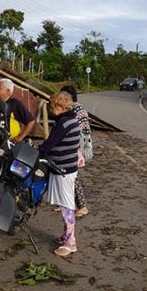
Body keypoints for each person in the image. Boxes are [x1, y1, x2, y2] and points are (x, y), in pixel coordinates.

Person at [40, 92, 82, 257]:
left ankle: (70, 243)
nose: (51, 110)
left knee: (66, 206)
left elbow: (49, 144)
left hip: (63, 169)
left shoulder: (63, 123)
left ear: (62, 107)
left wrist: (39, 152)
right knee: (67, 204)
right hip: (67, 168)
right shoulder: (71, 120)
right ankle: (66, 235)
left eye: (53, 106)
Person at [60, 85, 92, 218]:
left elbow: (80, 132)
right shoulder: (75, 108)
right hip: (76, 146)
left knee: (73, 177)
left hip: (78, 146)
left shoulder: (76, 110)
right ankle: (65, 203)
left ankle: (82, 206)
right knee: (65, 175)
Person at [0, 78, 36, 143]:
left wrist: (20, 137)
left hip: (10, 145)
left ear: (8, 91)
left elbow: (31, 121)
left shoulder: (16, 104)